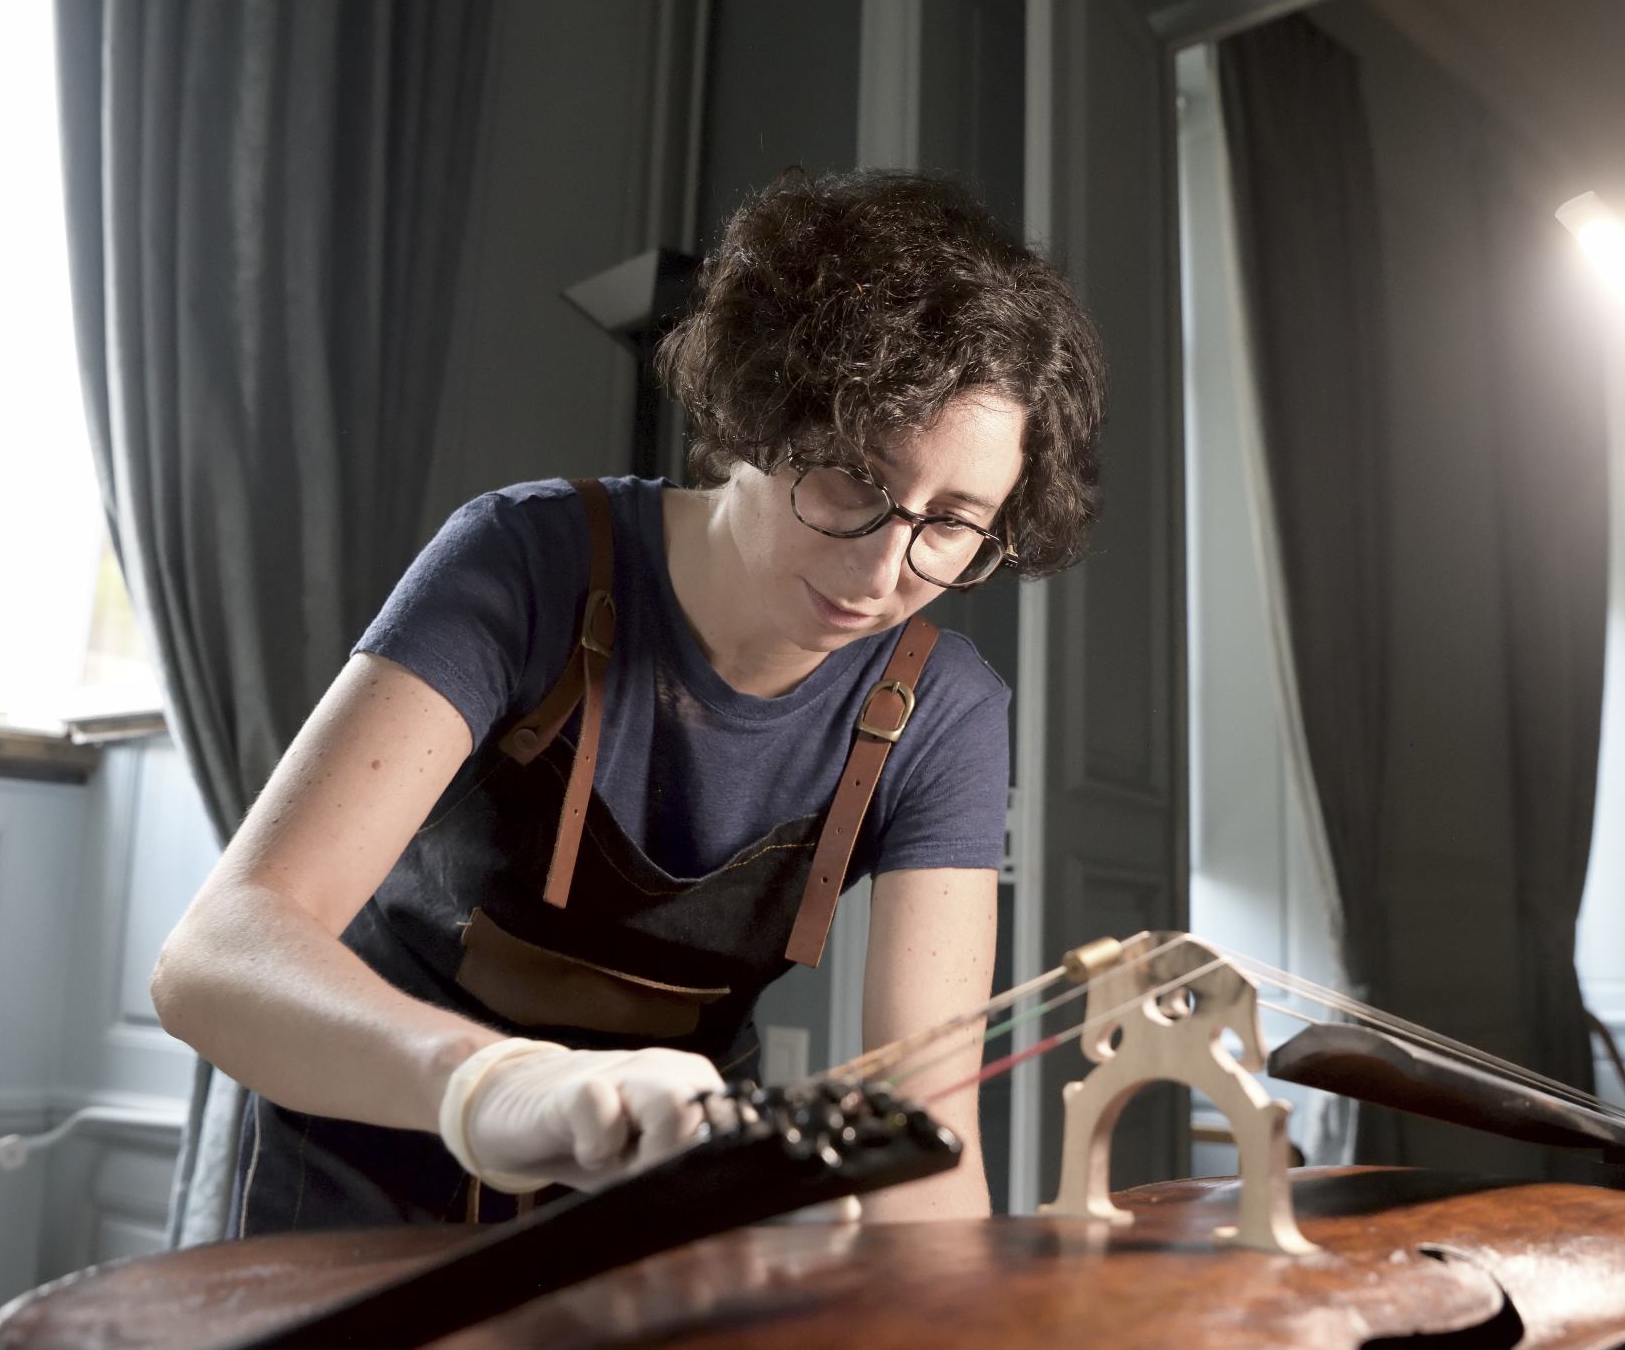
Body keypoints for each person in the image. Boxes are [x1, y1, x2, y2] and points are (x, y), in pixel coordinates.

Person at [150, 169, 1105, 1232]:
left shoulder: (943, 710)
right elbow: (216, 955)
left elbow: (932, 1138)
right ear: (759, 410)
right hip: (352, 1166)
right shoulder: (523, 559)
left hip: (643, 1208)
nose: (886, 566)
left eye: (952, 521)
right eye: (853, 480)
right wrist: (491, 1083)